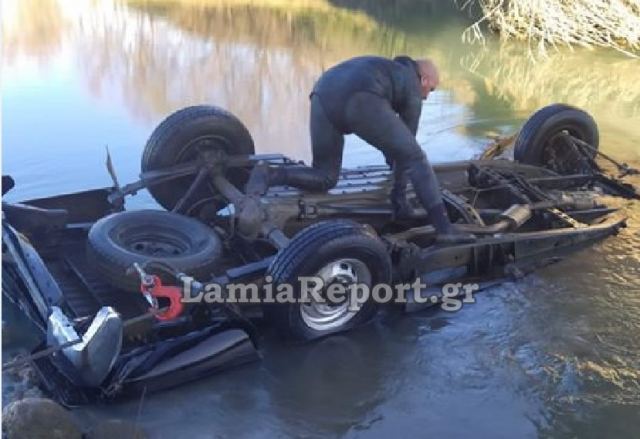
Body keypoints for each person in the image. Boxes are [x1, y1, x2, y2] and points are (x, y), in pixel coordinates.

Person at [246, 55, 473, 243]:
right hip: (360, 97)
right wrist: (399, 197)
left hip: (322, 93)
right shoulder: (412, 86)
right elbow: (407, 155)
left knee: (325, 176)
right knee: (417, 158)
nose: (426, 97)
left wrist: (393, 161)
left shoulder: (388, 68)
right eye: (431, 90)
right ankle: (445, 230)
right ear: (423, 79)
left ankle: (268, 173)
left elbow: (393, 145)